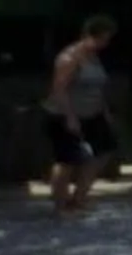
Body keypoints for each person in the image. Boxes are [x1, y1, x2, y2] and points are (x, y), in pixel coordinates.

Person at [42, 14, 121, 217]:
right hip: (64, 113)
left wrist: (105, 111)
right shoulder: (69, 58)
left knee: (103, 151)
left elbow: (97, 87)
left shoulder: (94, 57)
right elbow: (59, 89)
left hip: (92, 114)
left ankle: (79, 198)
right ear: (89, 35)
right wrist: (70, 117)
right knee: (66, 160)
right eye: (103, 38)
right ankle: (61, 205)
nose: (105, 43)